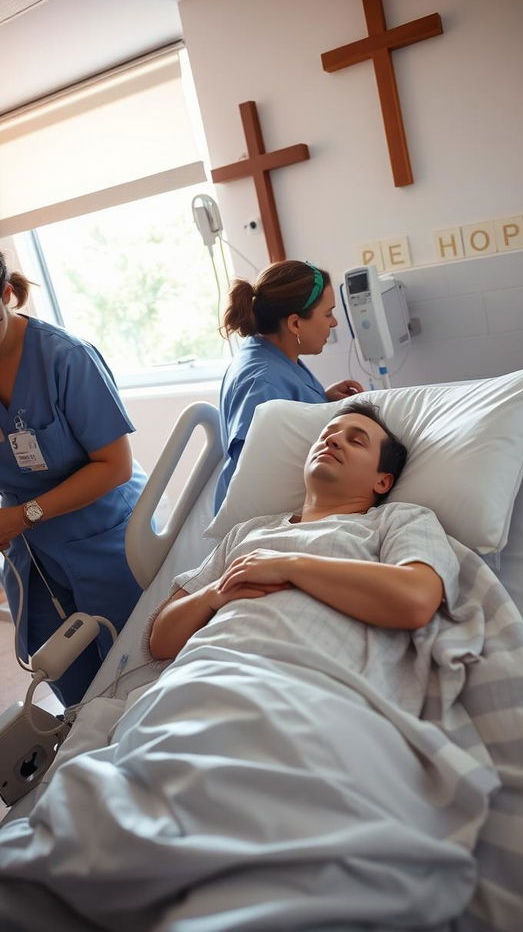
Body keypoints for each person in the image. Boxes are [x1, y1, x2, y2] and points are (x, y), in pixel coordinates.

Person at [151, 400, 458, 663]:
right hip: (202, 675)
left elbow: (416, 600)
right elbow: (161, 642)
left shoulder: (398, 520)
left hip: (306, 684)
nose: (333, 441)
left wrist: (288, 566)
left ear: (383, 482)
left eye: (356, 441)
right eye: (327, 435)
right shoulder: (248, 531)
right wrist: (213, 595)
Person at [0, 251, 147, 706]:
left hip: (104, 533)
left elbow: (115, 464)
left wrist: (24, 515)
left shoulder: (65, 358)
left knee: (133, 668)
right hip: (34, 550)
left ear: (6, 294)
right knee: (64, 674)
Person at [213, 259, 364, 512]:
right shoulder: (261, 382)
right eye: (328, 313)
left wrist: (322, 402)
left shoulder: (273, 354)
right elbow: (255, 480)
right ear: (295, 323)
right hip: (263, 527)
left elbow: (286, 421)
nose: (334, 323)